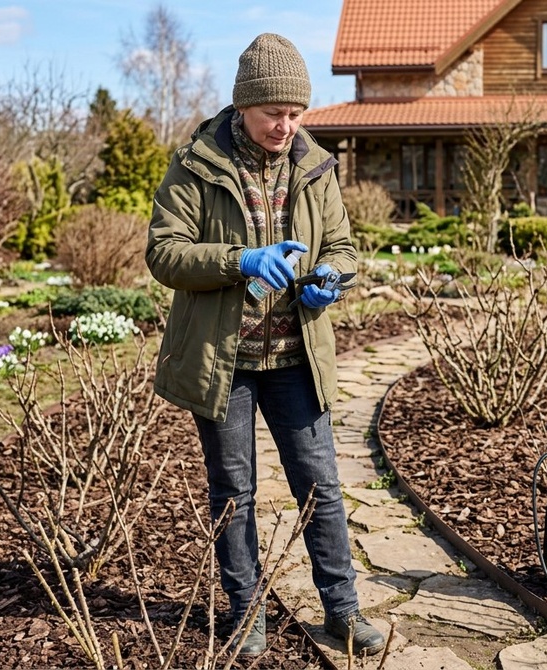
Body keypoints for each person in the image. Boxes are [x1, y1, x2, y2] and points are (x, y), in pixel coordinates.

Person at [145, 33, 384, 657]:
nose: (286, 125)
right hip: (224, 363)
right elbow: (164, 253)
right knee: (234, 494)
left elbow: (342, 247)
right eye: (274, 112)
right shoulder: (196, 163)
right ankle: (247, 612)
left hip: (296, 359)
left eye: (296, 113)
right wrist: (240, 260)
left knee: (321, 488)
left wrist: (330, 278)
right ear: (244, 105)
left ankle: (343, 611)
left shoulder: (315, 166)